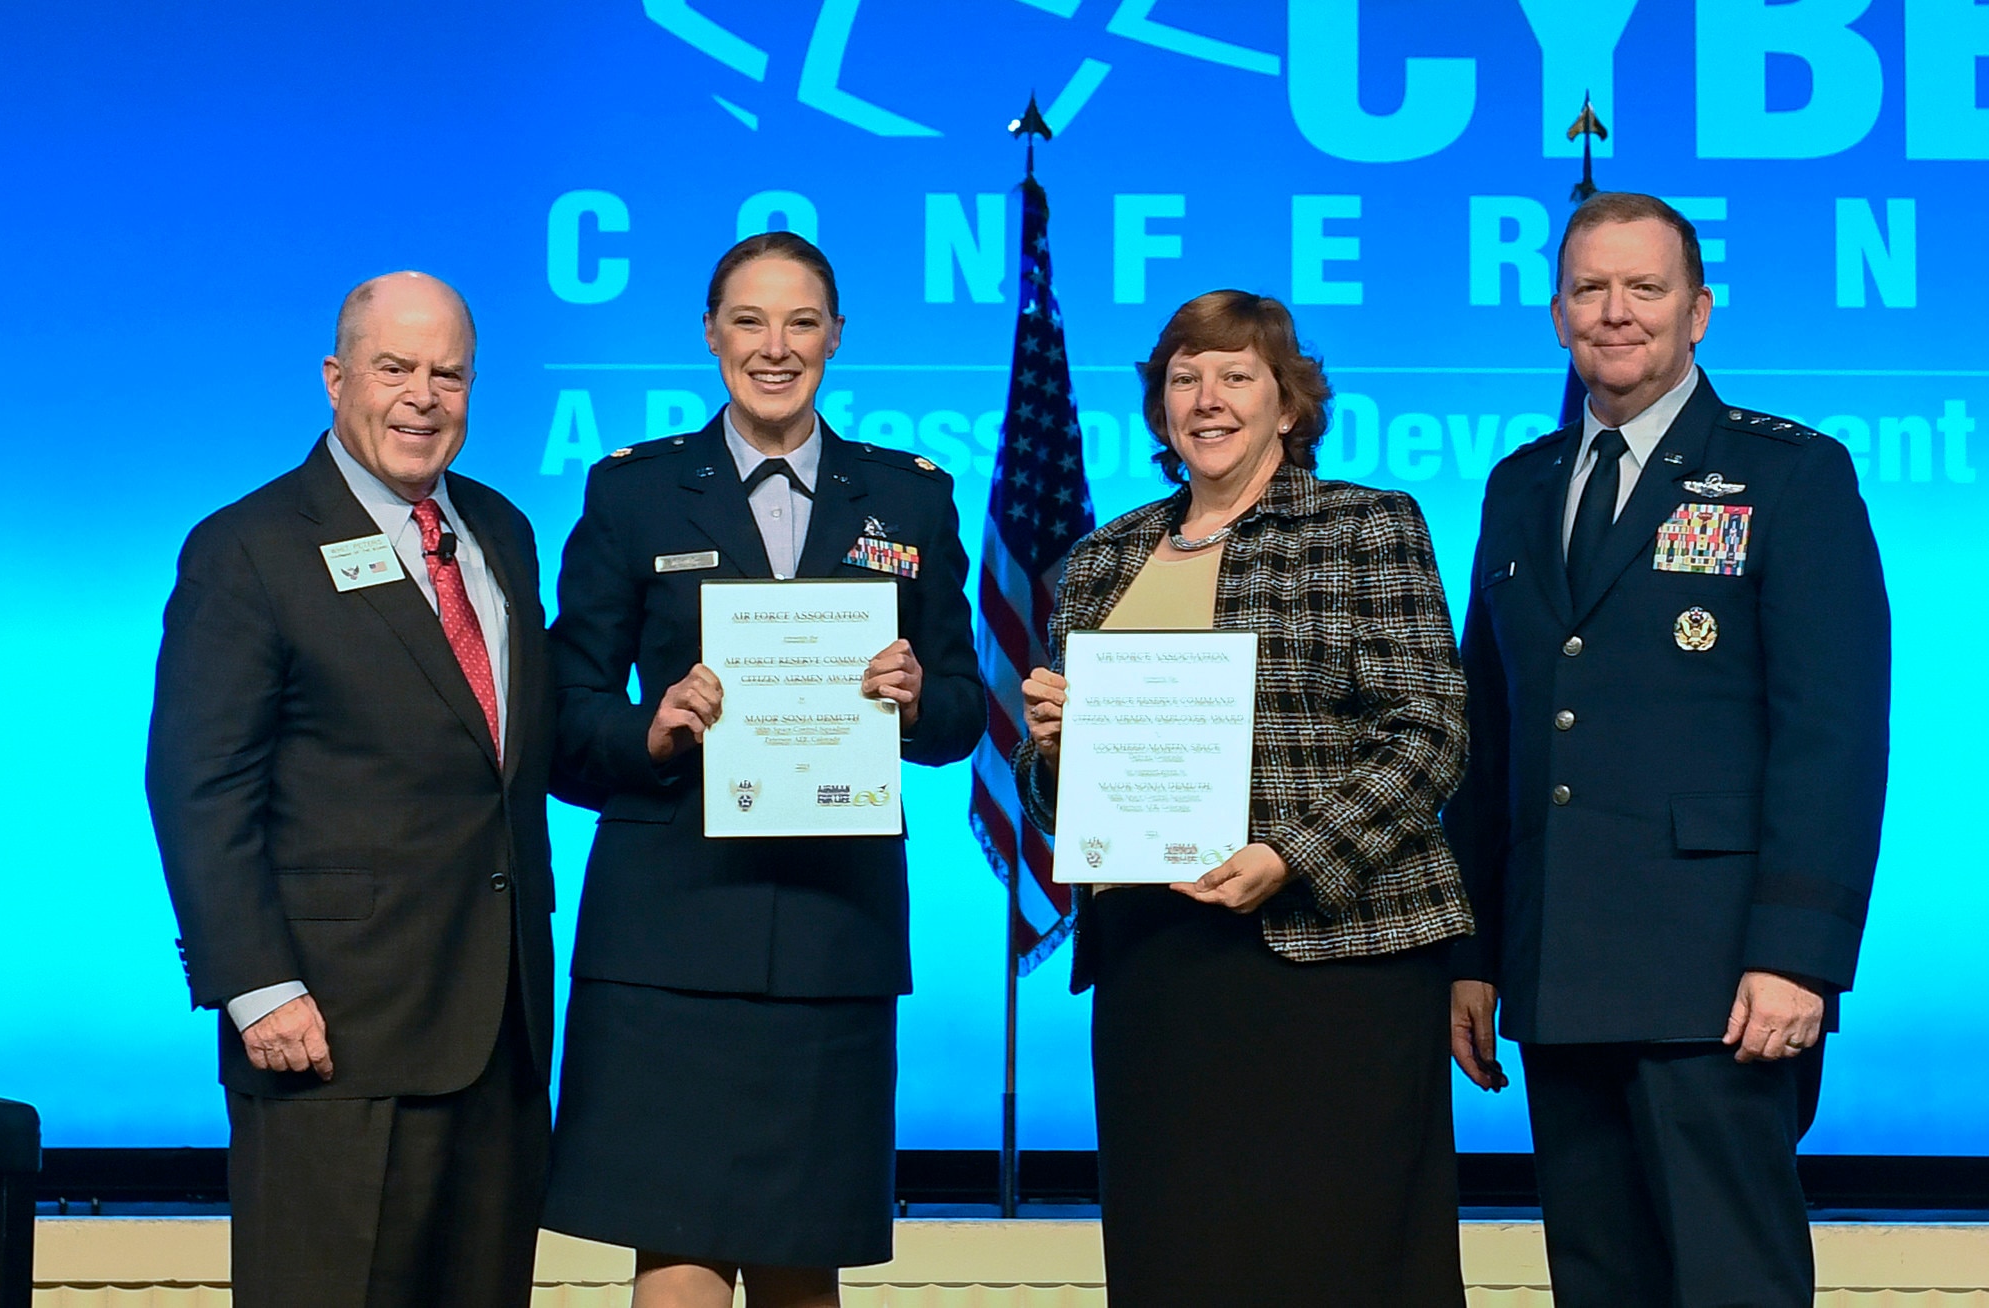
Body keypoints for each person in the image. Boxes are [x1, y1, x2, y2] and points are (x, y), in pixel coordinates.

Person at [1444, 193, 1890, 1308]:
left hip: (1718, 977)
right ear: (1555, 315)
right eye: (1590, 289)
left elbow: (1831, 734)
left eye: (1644, 289)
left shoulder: (1789, 476)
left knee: (1729, 1281)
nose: (1615, 313)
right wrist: (1474, 948)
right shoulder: (1519, 484)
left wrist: (1798, 956)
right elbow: (1488, 735)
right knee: (1598, 1283)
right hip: (1555, 969)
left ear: (1696, 311)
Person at [543, 231, 985, 1308]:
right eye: (749, 320)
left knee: (802, 1254)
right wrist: (651, 731)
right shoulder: (633, 495)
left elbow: (969, 710)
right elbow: (561, 720)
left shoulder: (911, 499)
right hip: (667, 931)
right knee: (674, 1246)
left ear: (836, 336)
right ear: (710, 335)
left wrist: (918, 698)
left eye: (799, 322)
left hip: (832, 930)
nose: (773, 347)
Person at [1014, 290, 1474, 1307]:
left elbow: (1429, 731)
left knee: (1339, 1261)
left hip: (1330, 964)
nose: (1206, 399)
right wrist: (1053, 752)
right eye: (1184, 377)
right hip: (1157, 972)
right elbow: (1063, 806)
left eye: (1234, 376)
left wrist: (1291, 857)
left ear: (1287, 402)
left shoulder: (1364, 526)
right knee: (1177, 1261)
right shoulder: (1103, 559)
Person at [147, 272, 556, 1308]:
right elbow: (198, 786)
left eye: (449, 374)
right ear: (337, 380)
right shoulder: (248, 548)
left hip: (496, 1033)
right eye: (395, 368)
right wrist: (257, 986)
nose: (423, 395)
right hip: (331, 1034)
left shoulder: (501, 532)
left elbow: (510, 760)